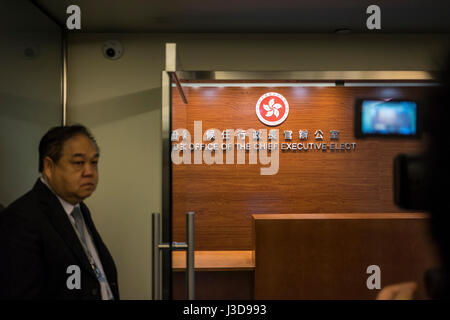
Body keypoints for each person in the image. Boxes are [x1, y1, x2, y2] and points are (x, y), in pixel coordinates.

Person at [0, 125, 119, 300]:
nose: (89, 172)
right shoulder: (22, 219)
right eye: (78, 163)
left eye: (94, 162)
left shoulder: (79, 209)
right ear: (48, 167)